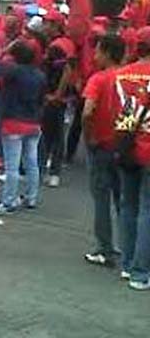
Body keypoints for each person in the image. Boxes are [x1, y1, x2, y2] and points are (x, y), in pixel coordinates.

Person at [0, 40, 47, 215]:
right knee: (31, 162)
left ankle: (8, 202)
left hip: (13, 122)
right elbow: (42, 99)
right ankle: (30, 197)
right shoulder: (40, 75)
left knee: (11, 166)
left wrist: (3, 51)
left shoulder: (12, 70)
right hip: (33, 122)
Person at [81, 34, 126, 267]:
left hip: (101, 147)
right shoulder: (129, 76)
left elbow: (87, 111)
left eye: (97, 51)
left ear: (107, 53)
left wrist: (90, 137)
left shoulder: (98, 79)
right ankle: (129, 247)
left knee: (101, 199)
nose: (95, 56)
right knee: (125, 201)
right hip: (125, 147)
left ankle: (104, 249)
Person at [114, 27, 150, 290]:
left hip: (126, 146)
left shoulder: (121, 74)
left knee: (128, 206)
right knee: (147, 210)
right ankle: (140, 272)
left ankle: (127, 264)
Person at [40, 36, 76, 188]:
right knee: (52, 135)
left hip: (55, 99)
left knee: (53, 135)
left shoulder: (57, 46)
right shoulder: (66, 43)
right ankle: (48, 170)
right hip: (58, 98)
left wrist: (56, 95)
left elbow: (67, 70)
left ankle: (52, 171)